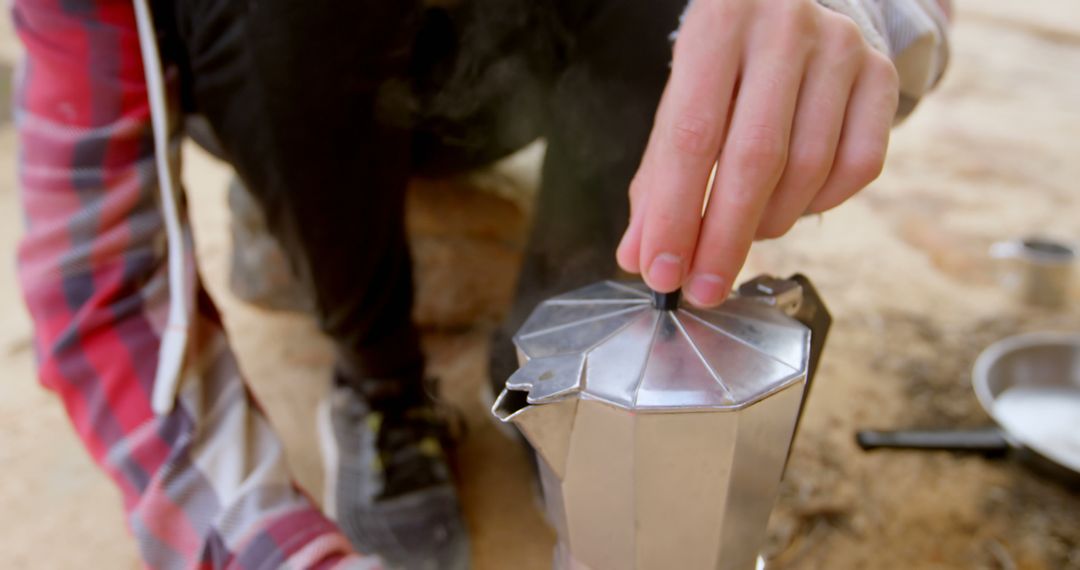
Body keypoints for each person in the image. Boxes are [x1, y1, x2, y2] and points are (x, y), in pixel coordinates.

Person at [11, 0, 949, 567]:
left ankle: (566, 334)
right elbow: (104, 286)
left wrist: (849, 10)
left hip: (511, 75)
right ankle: (377, 378)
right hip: (277, 69)